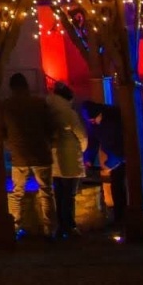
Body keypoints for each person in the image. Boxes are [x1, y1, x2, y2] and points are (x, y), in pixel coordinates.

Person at [0, 72, 55, 238]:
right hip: (41, 153)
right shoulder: (39, 103)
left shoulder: (6, 106)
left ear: (11, 88)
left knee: (17, 192)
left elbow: (2, 131)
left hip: (19, 154)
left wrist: (9, 144)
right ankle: (49, 228)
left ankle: (16, 226)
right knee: (46, 191)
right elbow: (50, 127)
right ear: (27, 86)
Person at [46, 81, 86, 239]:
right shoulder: (69, 113)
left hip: (53, 157)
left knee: (59, 194)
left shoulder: (48, 111)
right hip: (70, 157)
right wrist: (82, 148)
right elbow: (81, 135)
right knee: (69, 194)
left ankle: (60, 226)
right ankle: (70, 226)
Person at [82, 100, 125, 227]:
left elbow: (119, 143)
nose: (92, 122)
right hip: (114, 158)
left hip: (122, 157)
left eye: (93, 120)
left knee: (121, 186)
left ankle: (123, 217)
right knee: (117, 186)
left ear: (100, 114)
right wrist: (89, 158)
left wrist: (111, 162)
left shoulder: (113, 120)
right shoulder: (95, 123)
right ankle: (119, 217)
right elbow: (93, 140)